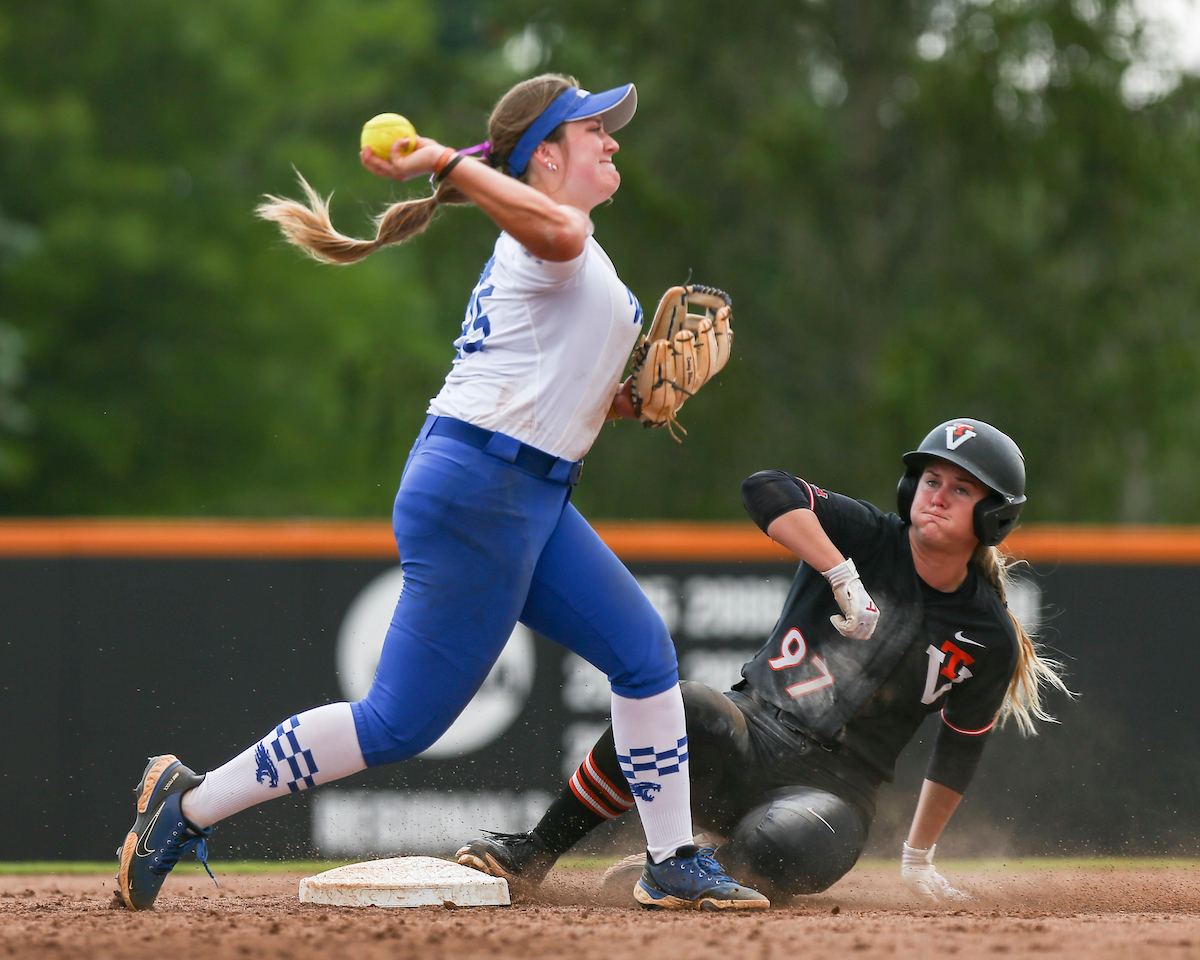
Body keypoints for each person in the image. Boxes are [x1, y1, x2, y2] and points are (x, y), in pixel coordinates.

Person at [116, 73, 767, 912]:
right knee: (397, 724)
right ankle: (189, 805)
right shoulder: (550, 234)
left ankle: (671, 859)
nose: (611, 139)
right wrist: (442, 162)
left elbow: (558, 379)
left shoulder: (575, 248)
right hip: (480, 490)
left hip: (530, 494)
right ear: (543, 158)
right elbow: (555, 230)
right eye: (591, 129)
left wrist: (634, 395)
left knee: (642, 656)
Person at [457, 418, 1071, 902]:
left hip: (833, 793)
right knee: (679, 704)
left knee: (777, 842)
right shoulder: (863, 537)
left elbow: (960, 746)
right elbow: (765, 488)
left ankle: (694, 863)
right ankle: (534, 853)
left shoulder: (986, 630)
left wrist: (918, 860)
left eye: (960, 489)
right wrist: (839, 571)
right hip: (749, 735)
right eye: (931, 480)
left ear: (993, 517)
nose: (937, 496)